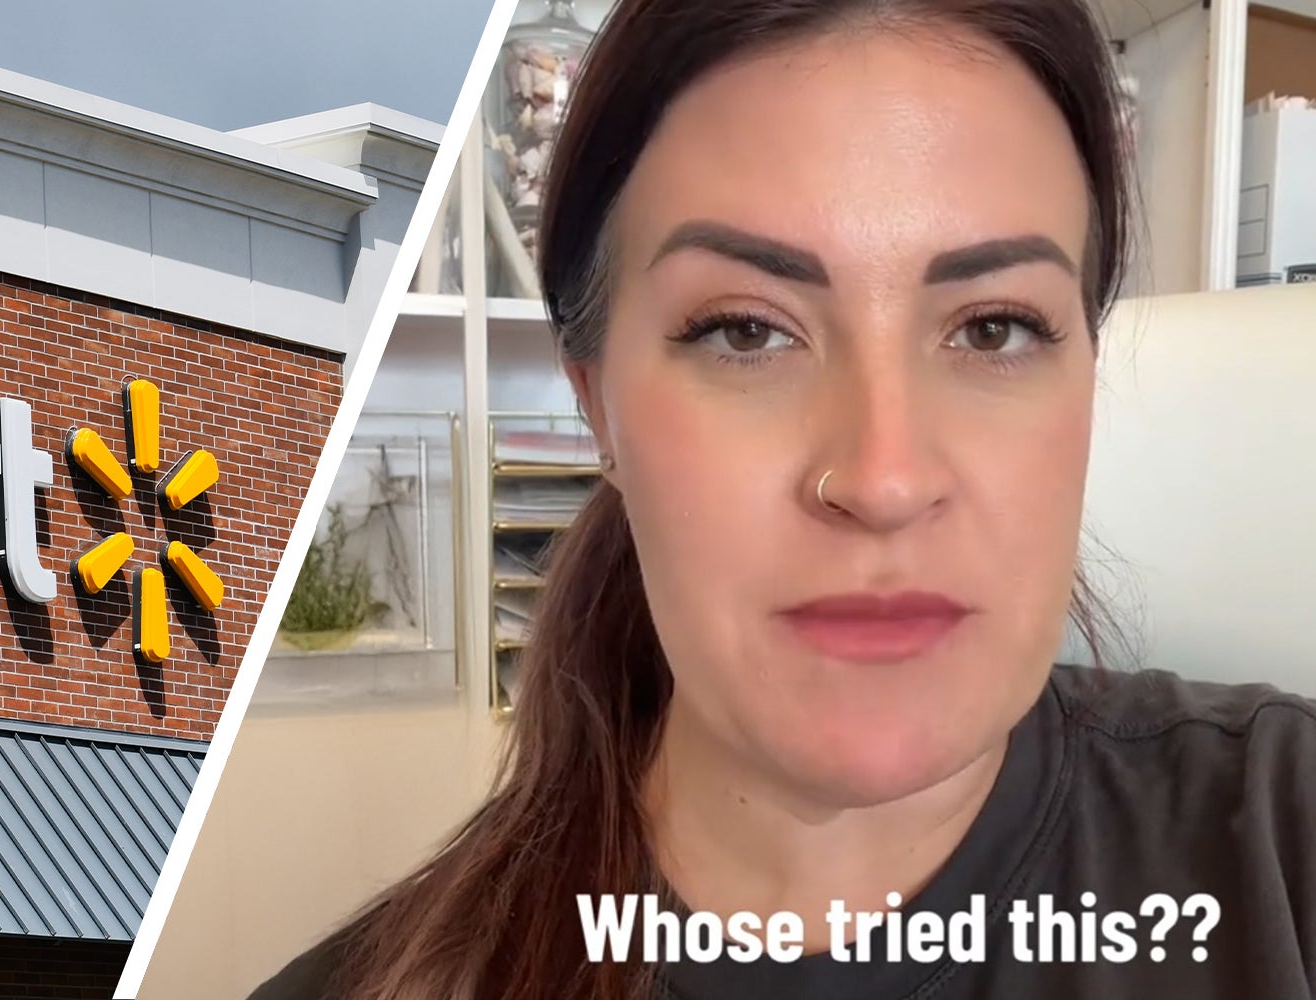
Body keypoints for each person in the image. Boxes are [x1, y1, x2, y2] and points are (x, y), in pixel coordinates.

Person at [246, 0, 1316, 997]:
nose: (884, 479)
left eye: (992, 328)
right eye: (745, 330)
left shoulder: (1285, 838)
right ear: (597, 405)